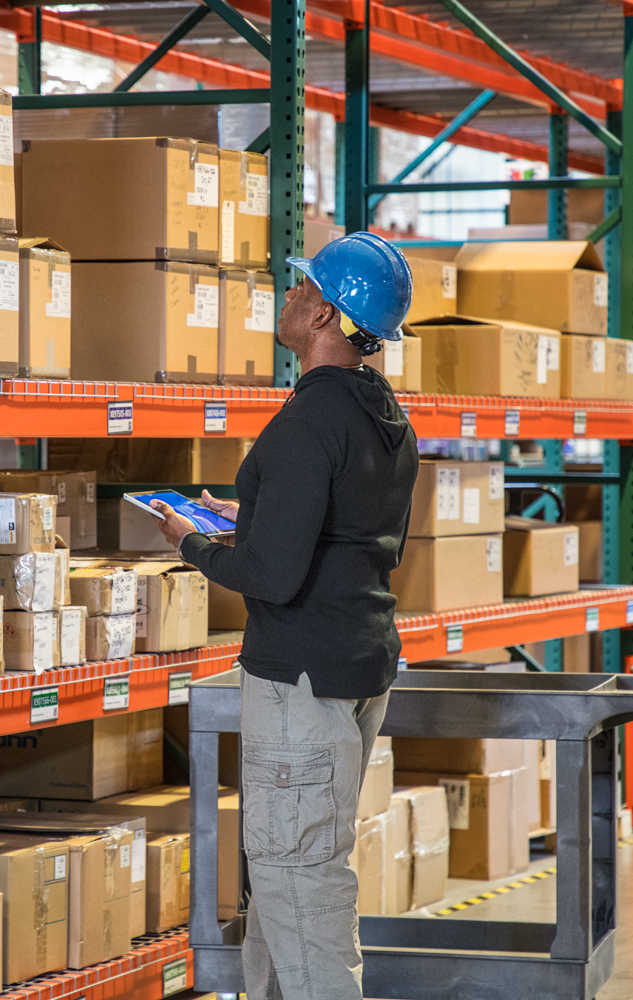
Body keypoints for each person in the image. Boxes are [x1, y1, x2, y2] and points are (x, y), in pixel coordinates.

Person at [150, 232, 419, 1000]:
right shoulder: (380, 413)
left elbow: (270, 574)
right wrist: (253, 514)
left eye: (304, 290)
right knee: (284, 874)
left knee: (298, 875)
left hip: (300, 676)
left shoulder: (306, 421)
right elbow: (343, 531)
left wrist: (192, 544)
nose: (291, 297)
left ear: (328, 316)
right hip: (358, 659)